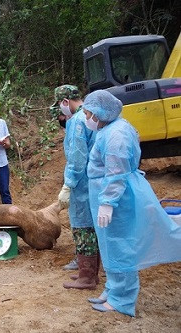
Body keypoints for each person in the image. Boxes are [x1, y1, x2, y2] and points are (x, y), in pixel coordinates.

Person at [82, 90, 181, 316]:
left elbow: (117, 173)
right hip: (107, 195)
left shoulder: (116, 134)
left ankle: (122, 299)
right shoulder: (108, 128)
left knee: (120, 245)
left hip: (117, 199)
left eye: (88, 113)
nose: (87, 117)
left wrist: (107, 202)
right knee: (109, 244)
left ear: (99, 113)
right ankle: (112, 289)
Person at [51, 85, 99, 286]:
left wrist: (68, 185)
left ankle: (87, 277)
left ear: (64, 102)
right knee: (90, 226)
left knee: (83, 227)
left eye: (59, 105)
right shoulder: (90, 117)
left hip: (82, 184)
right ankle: (88, 273)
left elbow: (77, 157)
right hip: (92, 181)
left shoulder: (77, 122)